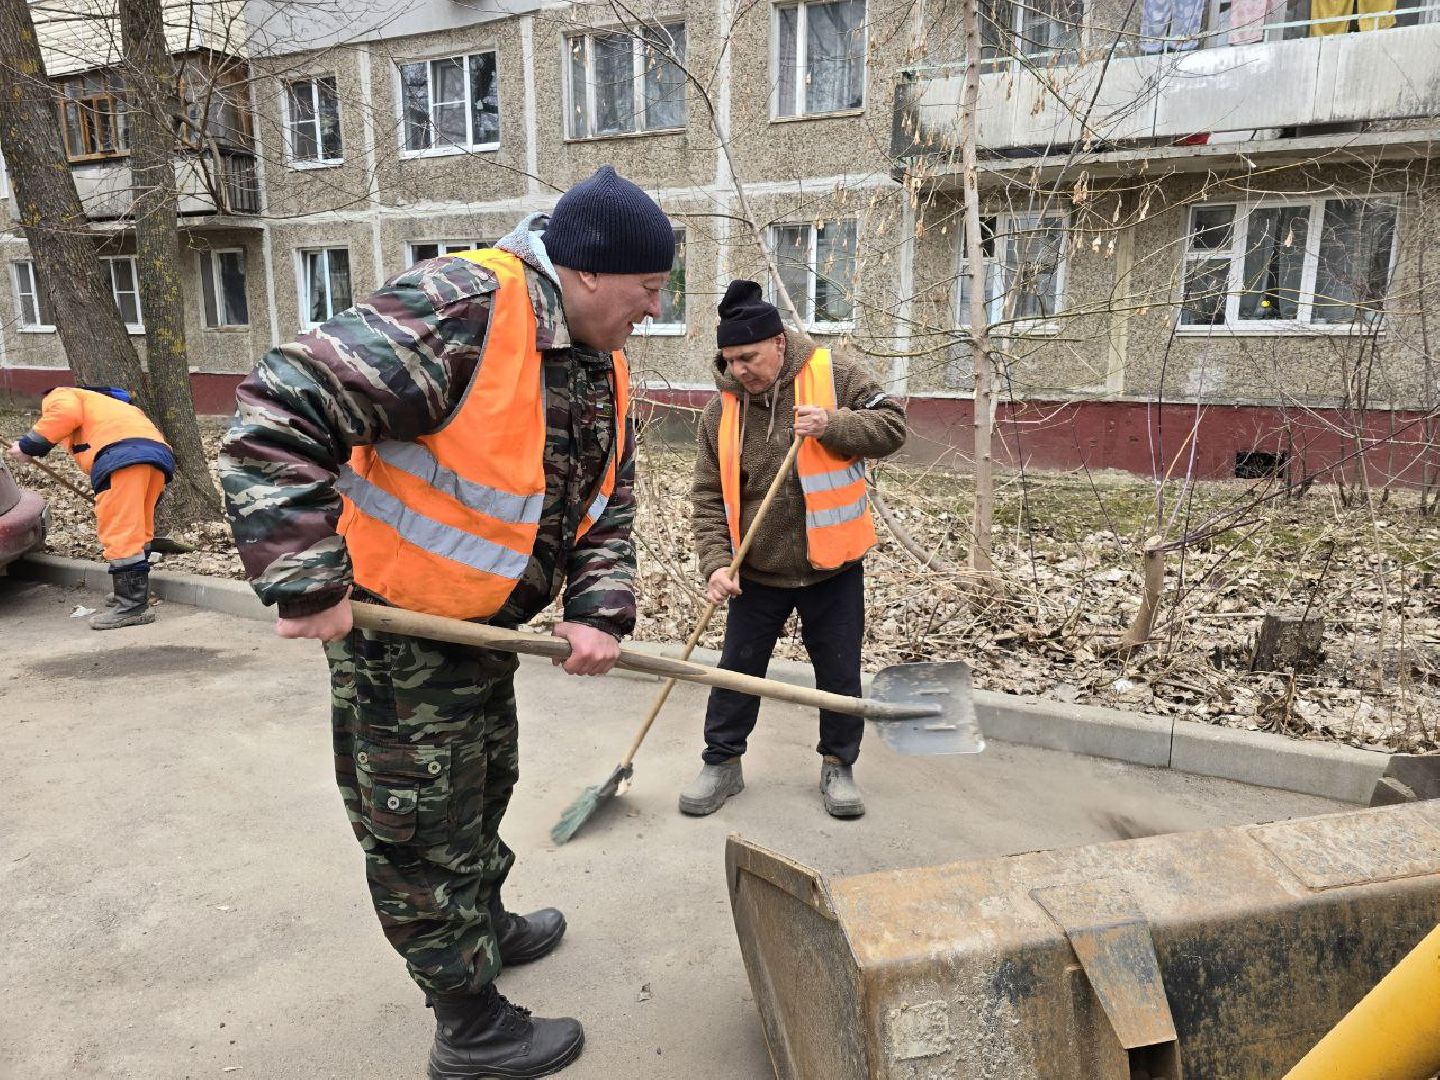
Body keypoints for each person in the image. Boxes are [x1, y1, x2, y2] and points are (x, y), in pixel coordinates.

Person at [218, 166, 672, 1080]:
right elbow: (278, 404)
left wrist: (597, 608)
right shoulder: (462, 307)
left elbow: (603, 503)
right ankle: (469, 1025)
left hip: (480, 635)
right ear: (588, 273)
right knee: (418, 824)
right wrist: (306, 578)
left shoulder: (595, 356)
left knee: (481, 786)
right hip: (398, 634)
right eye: (649, 290)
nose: (655, 311)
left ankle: (483, 923)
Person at [682, 280, 907, 820]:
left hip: (832, 567)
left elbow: (894, 426)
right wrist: (715, 563)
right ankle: (722, 762)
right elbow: (708, 496)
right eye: (730, 360)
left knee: (839, 673)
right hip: (755, 573)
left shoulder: (836, 375)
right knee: (736, 670)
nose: (739, 370)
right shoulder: (721, 412)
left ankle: (838, 763)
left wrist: (835, 424)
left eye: (749, 357)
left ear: (778, 343)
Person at [6, 385, 175, 630]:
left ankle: (132, 606)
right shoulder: (115, 406)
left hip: (121, 457)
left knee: (120, 530)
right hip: (156, 457)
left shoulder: (61, 393)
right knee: (138, 526)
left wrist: (27, 446)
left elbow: (64, 413)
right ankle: (132, 594)